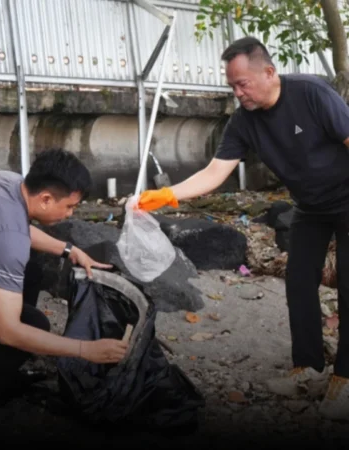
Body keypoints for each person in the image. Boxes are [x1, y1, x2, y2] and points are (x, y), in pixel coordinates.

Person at [137, 36, 349, 419]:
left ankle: (345, 381)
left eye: (243, 84)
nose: (238, 93)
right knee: (299, 282)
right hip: (311, 207)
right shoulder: (243, 120)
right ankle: (309, 369)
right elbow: (216, 172)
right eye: (232, 85)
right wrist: (168, 194)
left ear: (268, 72)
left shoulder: (312, 93)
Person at [0, 148, 128, 429]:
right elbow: (9, 332)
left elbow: (16, 228)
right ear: (45, 199)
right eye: (69, 207)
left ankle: (0, 371)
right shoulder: (9, 241)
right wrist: (84, 349)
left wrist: (70, 250)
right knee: (32, 325)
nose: (70, 214)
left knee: (31, 270)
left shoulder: (7, 181)